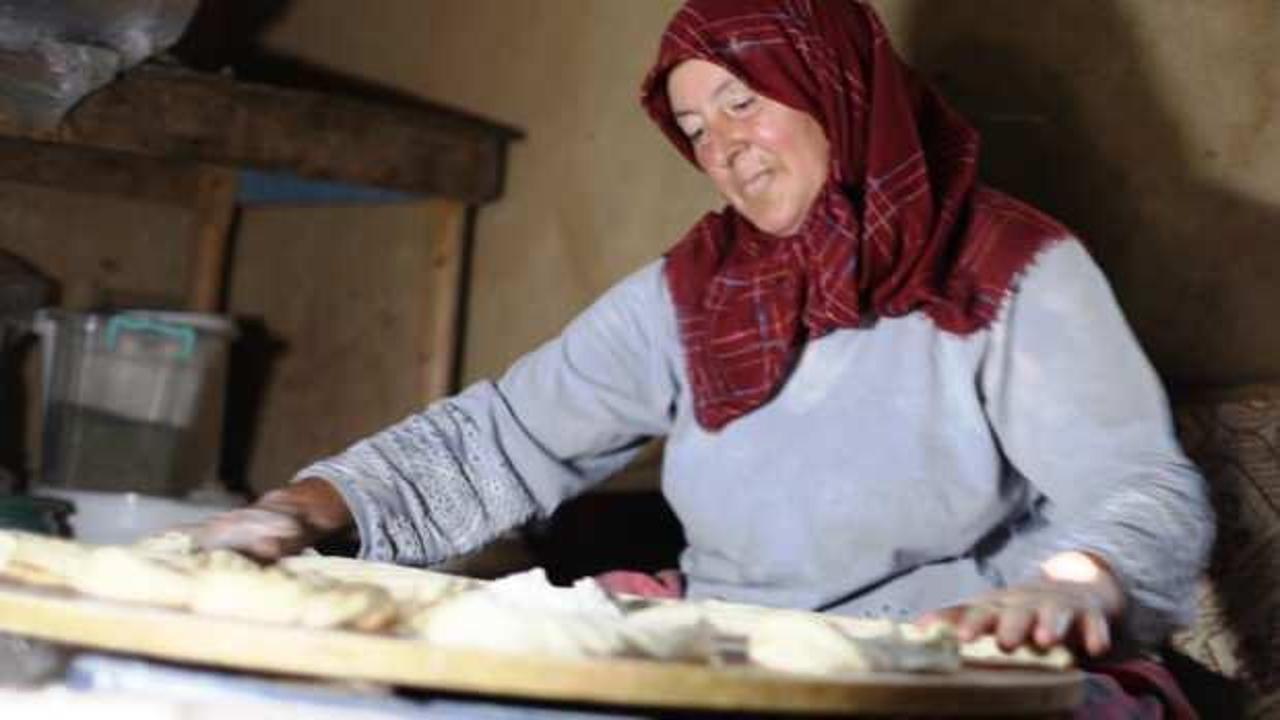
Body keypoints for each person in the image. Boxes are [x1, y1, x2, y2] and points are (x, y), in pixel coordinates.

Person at [193, 0, 1211, 713]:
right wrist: (300, 508)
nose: (719, 145)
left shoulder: (1009, 266)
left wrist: (1077, 580)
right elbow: (498, 438)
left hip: (946, 652)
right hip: (738, 638)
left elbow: (1137, 485)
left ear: (836, 86)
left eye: (741, 101)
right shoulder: (692, 291)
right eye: (691, 125)